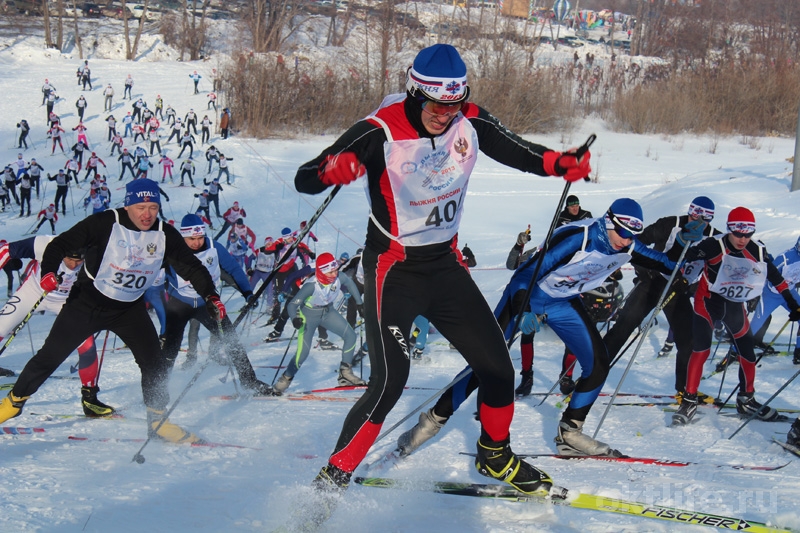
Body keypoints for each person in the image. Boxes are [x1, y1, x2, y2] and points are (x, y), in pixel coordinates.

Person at [293, 44, 592, 499]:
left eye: (453, 104)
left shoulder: (468, 118)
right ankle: (331, 482)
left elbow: (517, 150)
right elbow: (305, 177)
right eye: (435, 104)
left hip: (445, 267)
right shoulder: (378, 131)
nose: (444, 115)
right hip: (393, 270)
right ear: (415, 93)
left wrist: (559, 163)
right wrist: (333, 169)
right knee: (390, 381)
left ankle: (496, 455)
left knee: (497, 369)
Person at [397, 199, 678, 460]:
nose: (627, 241)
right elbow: (524, 275)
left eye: (633, 236)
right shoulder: (577, 237)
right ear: (609, 222)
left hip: (561, 302)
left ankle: (570, 433)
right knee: (486, 365)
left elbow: (664, 263)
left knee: (598, 362)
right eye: (623, 233)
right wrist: (525, 307)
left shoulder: (627, 246)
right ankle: (432, 421)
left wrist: (687, 262)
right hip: (525, 295)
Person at [0, 179, 226, 444]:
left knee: (153, 362)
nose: (147, 214)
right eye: (141, 206)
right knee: (49, 357)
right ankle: (13, 403)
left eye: (153, 206)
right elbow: (58, 245)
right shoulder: (105, 222)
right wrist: (49, 271)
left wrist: (211, 295)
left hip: (128, 309)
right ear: (128, 205)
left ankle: (158, 420)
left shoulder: (166, 234)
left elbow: (192, 268)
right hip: (87, 304)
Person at [672, 207, 800, 425]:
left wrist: (791, 302)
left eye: (748, 233)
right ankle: (689, 399)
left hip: (733, 305)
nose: (743, 238)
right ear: (729, 229)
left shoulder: (757, 250)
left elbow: (776, 277)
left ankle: (746, 399)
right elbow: (686, 258)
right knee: (701, 349)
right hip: (708, 303)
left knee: (747, 353)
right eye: (738, 233)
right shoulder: (713, 245)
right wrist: (682, 277)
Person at [603, 196, 720, 402]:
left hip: (676, 290)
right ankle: (588, 381)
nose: (698, 221)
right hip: (652, 284)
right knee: (621, 330)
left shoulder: (714, 238)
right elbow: (634, 242)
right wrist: (643, 271)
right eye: (694, 214)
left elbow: (730, 255)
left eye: (704, 218)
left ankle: (685, 390)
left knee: (689, 342)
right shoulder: (670, 224)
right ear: (689, 210)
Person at [0, 237, 114, 416]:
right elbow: (7, 250)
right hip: (33, 291)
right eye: (69, 259)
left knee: (88, 346)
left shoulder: (96, 253)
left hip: (68, 301)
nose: (73, 265)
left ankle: (90, 399)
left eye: (79, 261)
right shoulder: (45, 244)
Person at [160, 214, 272, 394]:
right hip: (180, 303)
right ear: (183, 237)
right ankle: (158, 390)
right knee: (171, 349)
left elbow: (234, 269)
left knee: (231, 340)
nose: (196, 243)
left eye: (200, 238)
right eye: (191, 239)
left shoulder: (213, 247)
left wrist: (247, 293)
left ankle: (249, 381)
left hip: (208, 303)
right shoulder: (172, 250)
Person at [512, 195, 594, 396]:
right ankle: (527, 377)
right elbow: (513, 264)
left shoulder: (582, 252)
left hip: (565, 294)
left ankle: (566, 377)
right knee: (527, 331)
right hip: (540, 295)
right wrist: (518, 246)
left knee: (574, 335)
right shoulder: (546, 247)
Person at [273, 253, 365, 394]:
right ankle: (285, 379)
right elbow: (292, 305)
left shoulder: (338, 276)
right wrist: (294, 319)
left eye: (335, 270)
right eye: (331, 271)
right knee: (303, 353)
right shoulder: (311, 286)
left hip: (328, 312)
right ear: (322, 271)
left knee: (351, 336)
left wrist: (359, 304)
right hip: (309, 316)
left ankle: (345, 373)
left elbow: (350, 283)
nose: (335, 274)